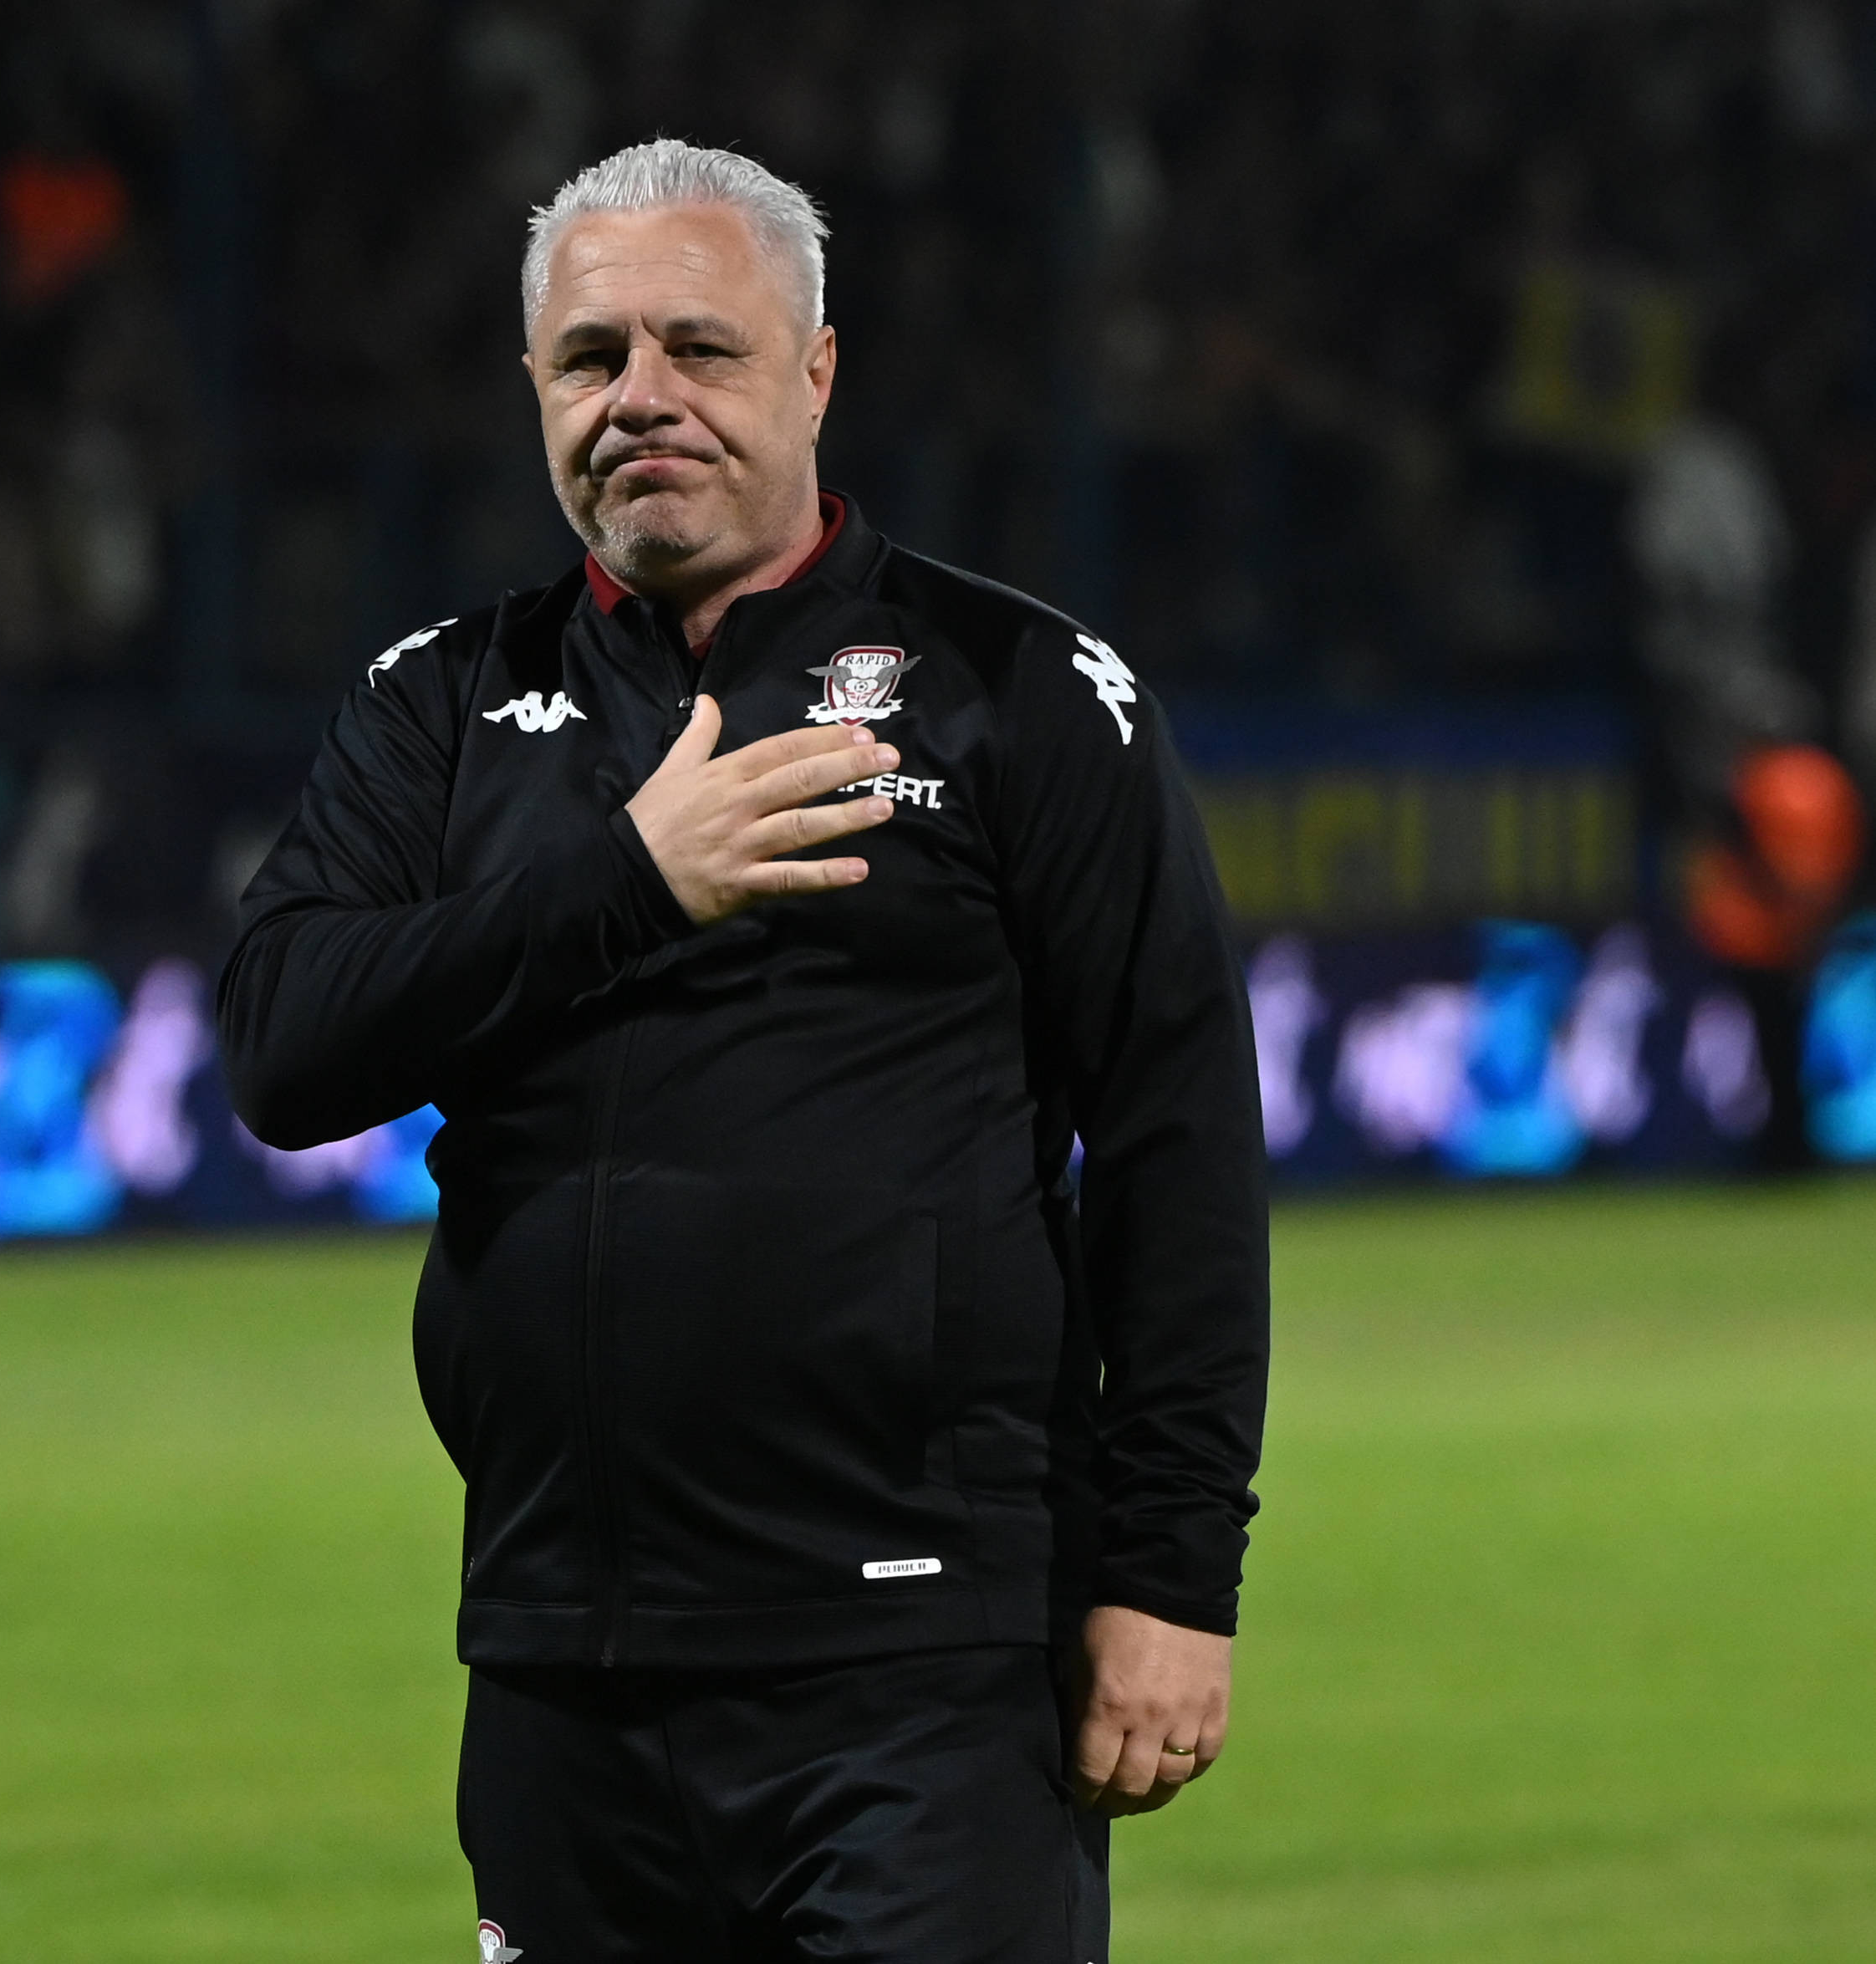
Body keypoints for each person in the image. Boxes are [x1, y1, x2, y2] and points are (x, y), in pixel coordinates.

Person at [217, 140, 1267, 1961]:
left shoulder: (1018, 691)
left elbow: (1178, 1147)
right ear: (534, 387)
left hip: (925, 1664)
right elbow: (282, 1047)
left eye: (700, 347)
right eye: (590, 356)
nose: (642, 397)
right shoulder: (438, 702)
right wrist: (630, 882)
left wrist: (1171, 1574)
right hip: (563, 1653)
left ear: (817, 370)